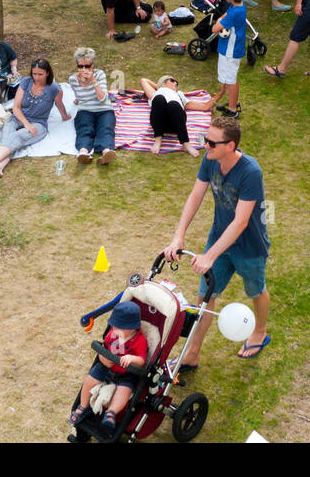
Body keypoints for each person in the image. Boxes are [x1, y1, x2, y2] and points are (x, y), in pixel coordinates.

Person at [163, 116, 271, 368]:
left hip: (249, 247)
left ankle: (260, 332)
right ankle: (192, 354)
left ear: (230, 146)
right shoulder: (210, 160)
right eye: (205, 139)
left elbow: (241, 222)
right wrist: (178, 235)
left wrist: (210, 255)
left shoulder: (250, 172)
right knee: (204, 297)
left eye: (211, 142)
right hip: (219, 239)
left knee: (256, 290)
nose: (205, 146)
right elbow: (195, 196)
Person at [0, 59, 71, 177]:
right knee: (8, 136)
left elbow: (59, 104)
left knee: (16, 136)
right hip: (18, 117)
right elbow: (16, 107)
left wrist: (65, 116)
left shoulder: (54, 88)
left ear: (47, 73)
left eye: (40, 74)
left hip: (39, 124)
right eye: (34, 73)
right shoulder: (26, 82)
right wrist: (27, 124)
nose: (36, 77)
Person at [68, 299, 148, 434]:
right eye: (113, 326)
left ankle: (111, 412)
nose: (114, 329)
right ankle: (83, 405)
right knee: (90, 379)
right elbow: (105, 347)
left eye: (119, 327)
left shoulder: (140, 340)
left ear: (133, 327)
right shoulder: (112, 334)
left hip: (126, 373)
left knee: (125, 390)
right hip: (107, 367)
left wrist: (131, 358)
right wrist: (102, 357)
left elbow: (141, 360)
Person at [141, 75, 215, 156]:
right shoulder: (155, 93)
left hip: (175, 125)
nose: (176, 83)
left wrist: (221, 93)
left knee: (174, 104)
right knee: (159, 98)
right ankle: (158, 139)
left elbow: (205, 106)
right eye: (172, 80)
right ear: (163, 82)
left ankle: (186, 143)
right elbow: (144, 80)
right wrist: (160, 87)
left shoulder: (179, 94)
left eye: (176, 82)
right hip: (159, 123)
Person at [69, 46, 116, 164]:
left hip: (104, 108)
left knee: (105, 128)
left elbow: (102, 98)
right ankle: (83, 152)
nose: (84, 69)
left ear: (92, 65)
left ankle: (106, 152)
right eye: (80, 66)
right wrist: (77, 100)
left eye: (87, 66)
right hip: (85, 110)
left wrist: (93, 81)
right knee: (84, 128)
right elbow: (78, 95)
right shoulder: (73, 79)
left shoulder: (100, 74)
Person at [210, 0, 247, 117]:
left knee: (231, 80)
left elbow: (215, 28)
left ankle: (233, 110)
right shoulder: (236, 6)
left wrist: (218, 22)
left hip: (230, 51)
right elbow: (224, 16)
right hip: (228, 49)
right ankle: (232, 102)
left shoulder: (235, 12)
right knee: (229, 77)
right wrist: (221, 20)